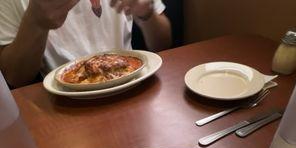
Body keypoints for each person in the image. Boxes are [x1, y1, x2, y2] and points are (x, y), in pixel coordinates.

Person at [0, 0, 171, 88]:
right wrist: (36, 22)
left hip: (134, 82)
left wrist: (146, 13)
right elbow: (15, 77)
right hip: (65, 104)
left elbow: (163, 44)